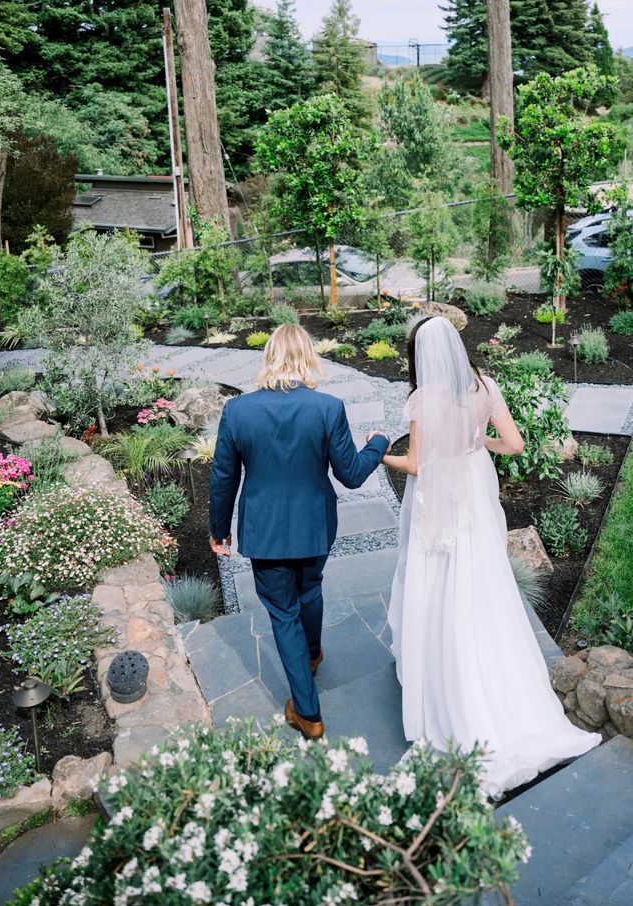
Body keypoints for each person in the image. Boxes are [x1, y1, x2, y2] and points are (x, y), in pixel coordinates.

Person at [384, 315, 600, 797]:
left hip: (439, 497)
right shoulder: (484, 385)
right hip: (476, 492)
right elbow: (516, 444)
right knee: (483, 578)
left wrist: (380, 456)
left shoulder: (423, 399)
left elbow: (417, 463)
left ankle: (449, 676)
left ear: (420, 354)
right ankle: (504, 679)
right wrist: (478, 442)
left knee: (437, 579)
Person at [209, 324, 390, 740]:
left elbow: (223, 477)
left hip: (265, 533)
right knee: (310, 590)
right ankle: (311, 655)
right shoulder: (327, 407)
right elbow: (352, 474)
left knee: (284, 613)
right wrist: (377, 443)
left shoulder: (238, 410)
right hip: (315, 527)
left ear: (269, 357)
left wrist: (219, 530)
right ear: (308, 357)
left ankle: (307, 712)